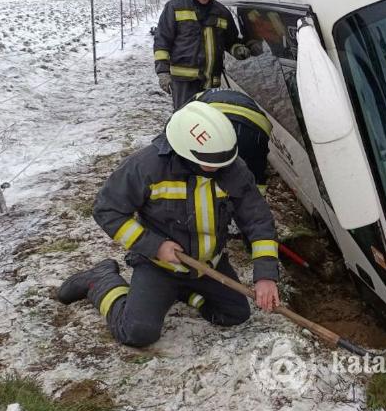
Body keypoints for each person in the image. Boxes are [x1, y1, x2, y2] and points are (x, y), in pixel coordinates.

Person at [56, 102, 281, 348]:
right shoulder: (146, 167)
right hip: (158, 266)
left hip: (207, 266)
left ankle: (183, 293)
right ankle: (100, 281)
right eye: (211, 163)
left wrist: (266, 276)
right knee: (137, 332)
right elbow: (107, 209)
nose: (219, 168)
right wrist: (155, 246)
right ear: (186, 151)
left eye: (224, 162)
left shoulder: (232, 169)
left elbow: (258, 220)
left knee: (235, 314)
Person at [153, 0, 260, 110]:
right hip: (184, 82)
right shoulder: (174, 7)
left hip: (211, 81)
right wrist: (163, 71)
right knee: (185, 118)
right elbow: (162, 41)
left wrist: (238, 49)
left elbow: (230, 40)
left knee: (208, 122)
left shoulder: (222, 12)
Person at [192, 89, 272, 194]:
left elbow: (176, 126)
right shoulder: (238, 95)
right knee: (253, 167)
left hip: (216, 121)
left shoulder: (195, 99)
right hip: (255, 127)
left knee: (208, 163)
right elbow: (259, 162)